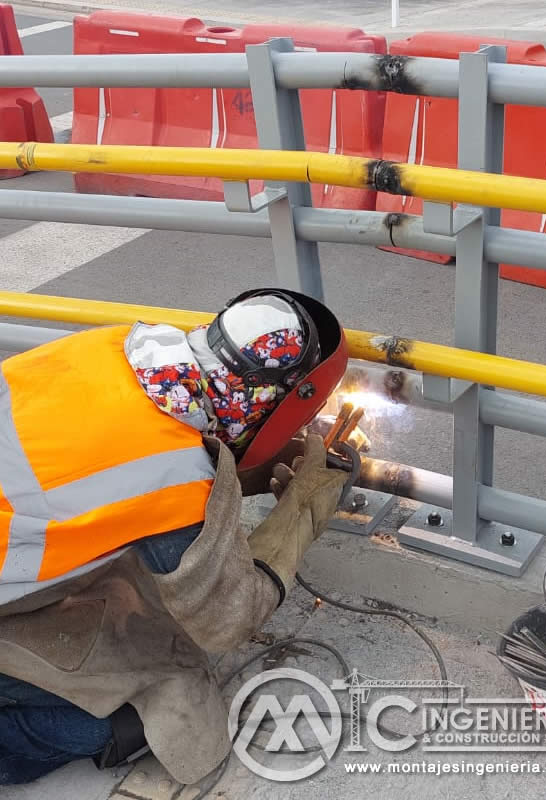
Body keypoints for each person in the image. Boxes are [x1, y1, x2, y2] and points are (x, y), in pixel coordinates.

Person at [0, 288, 349, 786]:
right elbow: (225, 622)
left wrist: (233, 477)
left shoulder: (113, 345)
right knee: (124, 723)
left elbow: (86, 465)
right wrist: (298, 515)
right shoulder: (172, 477)